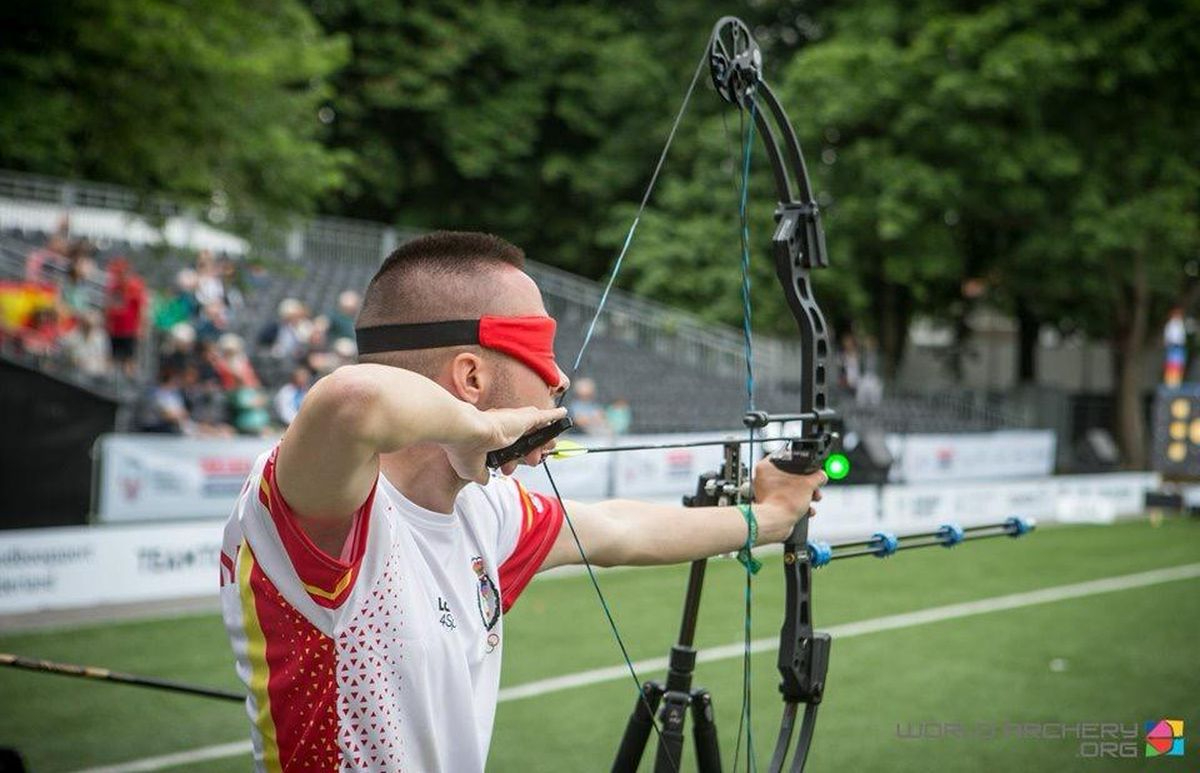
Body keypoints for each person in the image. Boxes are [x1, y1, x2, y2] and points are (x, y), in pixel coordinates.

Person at [218, 231, 826, 771]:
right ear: (472, 378)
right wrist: (475, 431)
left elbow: (619, 529)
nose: (560, 378)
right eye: (541, 353)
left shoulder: (487, 511)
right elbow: (351, 398)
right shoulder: (328, 514)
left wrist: (769, 518)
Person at [104, 258, 146, 377]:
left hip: (129, 329)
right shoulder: (113, 286)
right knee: (112, 357)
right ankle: (109, 382)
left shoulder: (136, 286)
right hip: (115, 329)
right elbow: (108, 306)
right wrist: (107, 323)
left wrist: (140, 327)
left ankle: (130, 383)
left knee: (129, 360)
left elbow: (141, 308)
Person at [1164, 307, 1187, 387]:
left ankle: (1177, 382)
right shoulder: (1170, 324)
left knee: (1179, 365)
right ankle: (1171, 383)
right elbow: (1168, 337)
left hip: (1180, 347)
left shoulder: (1181, 324)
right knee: (1172, 365)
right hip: (1173, 346)